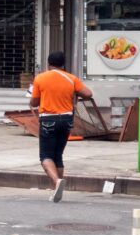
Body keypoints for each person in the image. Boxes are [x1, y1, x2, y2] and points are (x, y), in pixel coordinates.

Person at [29, 52, 93, 203]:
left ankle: (57, 182)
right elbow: (88, 94)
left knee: (45, 156)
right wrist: (75, 95)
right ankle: (58, 189)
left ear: (48, 63)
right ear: (64, 64)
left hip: (48, 120)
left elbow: (34, 102)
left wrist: (34, 101)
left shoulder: (41, 78)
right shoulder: (71, 78)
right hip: (66, 120)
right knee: (58, 155)